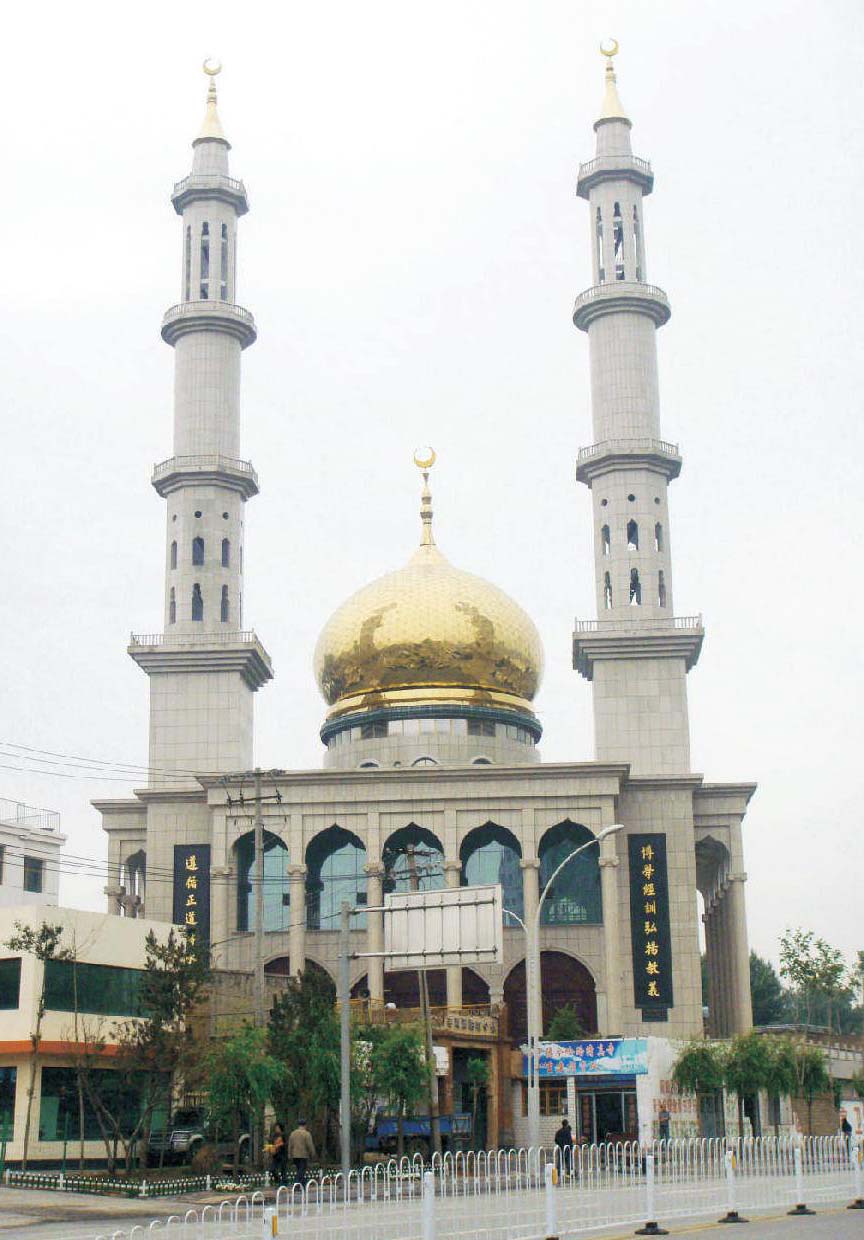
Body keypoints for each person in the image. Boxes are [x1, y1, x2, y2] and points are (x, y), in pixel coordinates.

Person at [288, 1118, 316, 1186]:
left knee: (299, 1169)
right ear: (305, 1125)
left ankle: (303, 1184)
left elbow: (290, 1145)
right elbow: (310, 1145)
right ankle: (297, 1183)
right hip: (303, 1155)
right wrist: (313, 1153)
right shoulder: (307, 1134)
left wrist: (289, 1154)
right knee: (301, 1170)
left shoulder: (293, 1133)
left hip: (295, 1155)